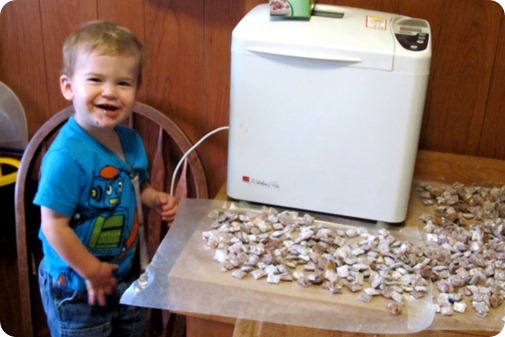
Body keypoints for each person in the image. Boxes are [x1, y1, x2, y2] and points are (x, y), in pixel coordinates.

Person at [34, 21, 178, 336]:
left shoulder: (130, 142)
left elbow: (137, 186)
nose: (110, 92)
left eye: (123, 83)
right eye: (96, 79)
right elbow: (53, 225)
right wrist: (92, 271)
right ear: (69, 86)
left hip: (123, 275)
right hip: (76, 286)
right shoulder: (65, 157)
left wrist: (154, 198)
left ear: (136, 91)